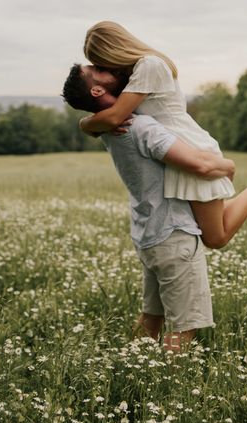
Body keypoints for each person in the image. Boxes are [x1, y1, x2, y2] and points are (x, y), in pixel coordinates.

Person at [77, 21, 247, 248]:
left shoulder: (149, 66)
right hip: (178, 151)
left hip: (192, 149)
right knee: (212, 228)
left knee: (216, 237)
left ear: (113, 50)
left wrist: (86, 125)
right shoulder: (136, 73)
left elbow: (114, 117)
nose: (103, 69)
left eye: (101, 63)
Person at [62, 68, 237, 352]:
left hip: (149, 236)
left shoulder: (107, 131)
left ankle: (136, 369)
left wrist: (87, 122)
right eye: (95, 70)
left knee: (151, 318)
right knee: (183, 329)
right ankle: (165, 392)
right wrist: (228, 166)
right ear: (96, 90)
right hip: (174, 235)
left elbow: (94, 123)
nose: (105, 69)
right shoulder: (143, 127)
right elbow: (202, 166)